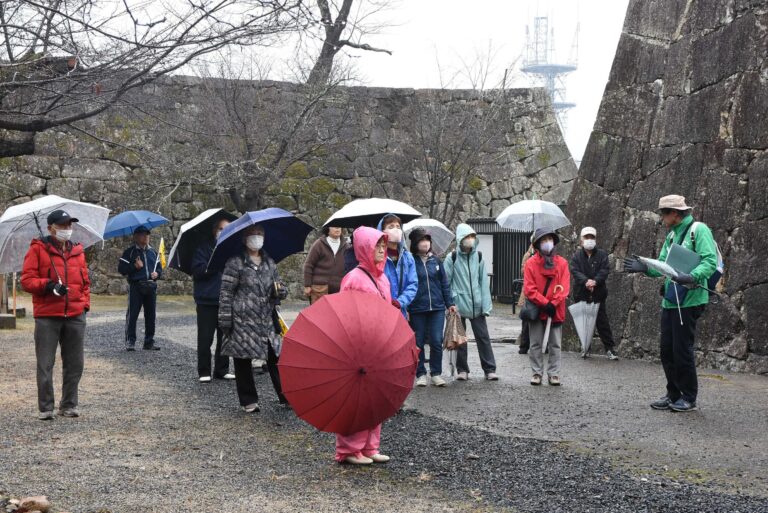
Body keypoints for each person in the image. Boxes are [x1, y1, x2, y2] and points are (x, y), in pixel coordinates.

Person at [624, 195, 717, 412]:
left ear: (675, 213)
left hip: (690, 299)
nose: (661, 217)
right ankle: (673, 393)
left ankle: (688, 397)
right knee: (667, 350)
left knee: (682, 349)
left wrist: (692, 276)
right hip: (671, 299)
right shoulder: (672, 235)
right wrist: (646, 268)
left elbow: (709, 260)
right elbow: (664, 266)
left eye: (663, 213)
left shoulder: (698, 230)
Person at [21, 210, 90, 420]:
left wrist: (84, 304)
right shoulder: (38, 249)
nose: (67, 229)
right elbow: (27, 280)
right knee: (45, 363)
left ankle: (69, 405)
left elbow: (85, 281)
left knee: (75, 363)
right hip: (47, 316)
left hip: (75, 315)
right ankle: (46, 407)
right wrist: (49, 285)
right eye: (62, 225)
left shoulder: (78, 251)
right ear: (51, 227)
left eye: (70, 225)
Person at [335, 226, 392, 465]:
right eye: (376, 245)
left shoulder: (383, 278)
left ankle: (370, 446)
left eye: (383, 245)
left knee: (374, 397)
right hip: (359, 347)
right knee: (356, 399)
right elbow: (347, 314)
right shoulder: (354, 278)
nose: (381, 249)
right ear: (364, 248)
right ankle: (349, 449)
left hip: (378, 345)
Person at [218, 224, 288, 413]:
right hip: (243, 320)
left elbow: (280, 286)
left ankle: (286, 395)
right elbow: (226, 293)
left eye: (260, 234)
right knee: (242, 360)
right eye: (252, 234)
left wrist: (281, 291)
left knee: (277, 356)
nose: (256, 238)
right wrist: (225, 319)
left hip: (266, 318)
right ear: (244, 238)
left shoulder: (269, 262)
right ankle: (248, 400)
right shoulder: (235, 263)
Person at [443, 223, 498, 381]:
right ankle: (462, 369)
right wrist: (450, 303)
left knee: (483, 337)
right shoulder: (452, 258)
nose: (470, 240)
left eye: (472, 236)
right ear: (460, 238)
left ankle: (489, 369)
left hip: (477, 304)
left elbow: (483, 283)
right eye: (467, 237)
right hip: (458, 305)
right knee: (460, 338)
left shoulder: (479, 257)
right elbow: (446, 282)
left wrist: (486, 305)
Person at [408, 228, 456, 387]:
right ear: (415, 243)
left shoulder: (436, 261)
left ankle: (436, 373)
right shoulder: (410, 261)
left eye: (427, 240)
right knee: (418, 342)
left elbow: (444, 283)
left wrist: (449, 303)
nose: (425, 243)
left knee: (436, 340)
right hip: (417, 308)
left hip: (436, 307)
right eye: (422, 240)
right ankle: (420, 373)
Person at [524, 227, 570, 386]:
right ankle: (536, 373)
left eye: (549, 239)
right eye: (543, 240)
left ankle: (554, 373)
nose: (547, 243)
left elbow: (564, 287)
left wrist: (554, 303)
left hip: (555, 309)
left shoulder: (562, 263)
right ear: (537, 244)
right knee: (535, 343)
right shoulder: (530, 264)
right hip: (538, 308)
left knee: (555, 344)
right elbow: (529, 289)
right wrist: (545, 303)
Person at [191, 218, 235, 383]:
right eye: (221, 228)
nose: (224, 232)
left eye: (227, 229)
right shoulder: (203, 248)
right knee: (205, 337)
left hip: (225, 299)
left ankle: (222, 369)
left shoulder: (231, 250)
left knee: (224, 337)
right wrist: (213, 263)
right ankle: (204, 370)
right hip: (206, 300)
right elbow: (197, 271)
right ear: (215, 230)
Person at [570, 226, 618, 360]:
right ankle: (585, 347)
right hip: (582, 293)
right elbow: (575, 270)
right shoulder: (576, 256)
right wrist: (586, 281)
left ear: (595, 239)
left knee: (602, 322)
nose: (589, 240)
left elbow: (604, 270)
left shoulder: (602, 255)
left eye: (592, 237)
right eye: (586, 237)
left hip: (598, 293)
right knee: (583, 322)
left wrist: (595, 282)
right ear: (581, 240)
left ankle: (610, 349)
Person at [118, 226, 162, 351]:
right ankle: (130, 341)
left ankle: (149, 342)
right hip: (136, 287)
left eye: (147, 234)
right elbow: (121, 270)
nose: (146, 237)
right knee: (132, 315)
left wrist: (157, 274)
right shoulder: (130, 252)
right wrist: (134, 266)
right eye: (143, 235)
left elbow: (159, 268)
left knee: (151, 315)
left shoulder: (153, 252)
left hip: (151, 286)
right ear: (136, 236)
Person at [377, 214, 418, 318]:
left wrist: (400, 302)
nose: (395, 229)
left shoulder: (407, 257)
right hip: (380, 311)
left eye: (398, 227)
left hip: (400, 312)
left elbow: (413, 284)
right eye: (390, 227)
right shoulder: (378, 256)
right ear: (382, 231)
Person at [303, 225, 348, 303]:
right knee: (319, 314)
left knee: (336, 314)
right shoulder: (319, 244)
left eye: (339, 226)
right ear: (328, 229)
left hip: (339, 289)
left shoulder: (346, 246)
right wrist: (307, 285)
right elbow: (308, 265)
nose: (337, 228)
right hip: (320, 289)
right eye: (334, 226)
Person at [517, 243, 535, 354]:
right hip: (528, 291)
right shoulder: (528, 255)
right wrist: (530, 259)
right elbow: (523, 272)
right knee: (526, 320)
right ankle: (524, 346)